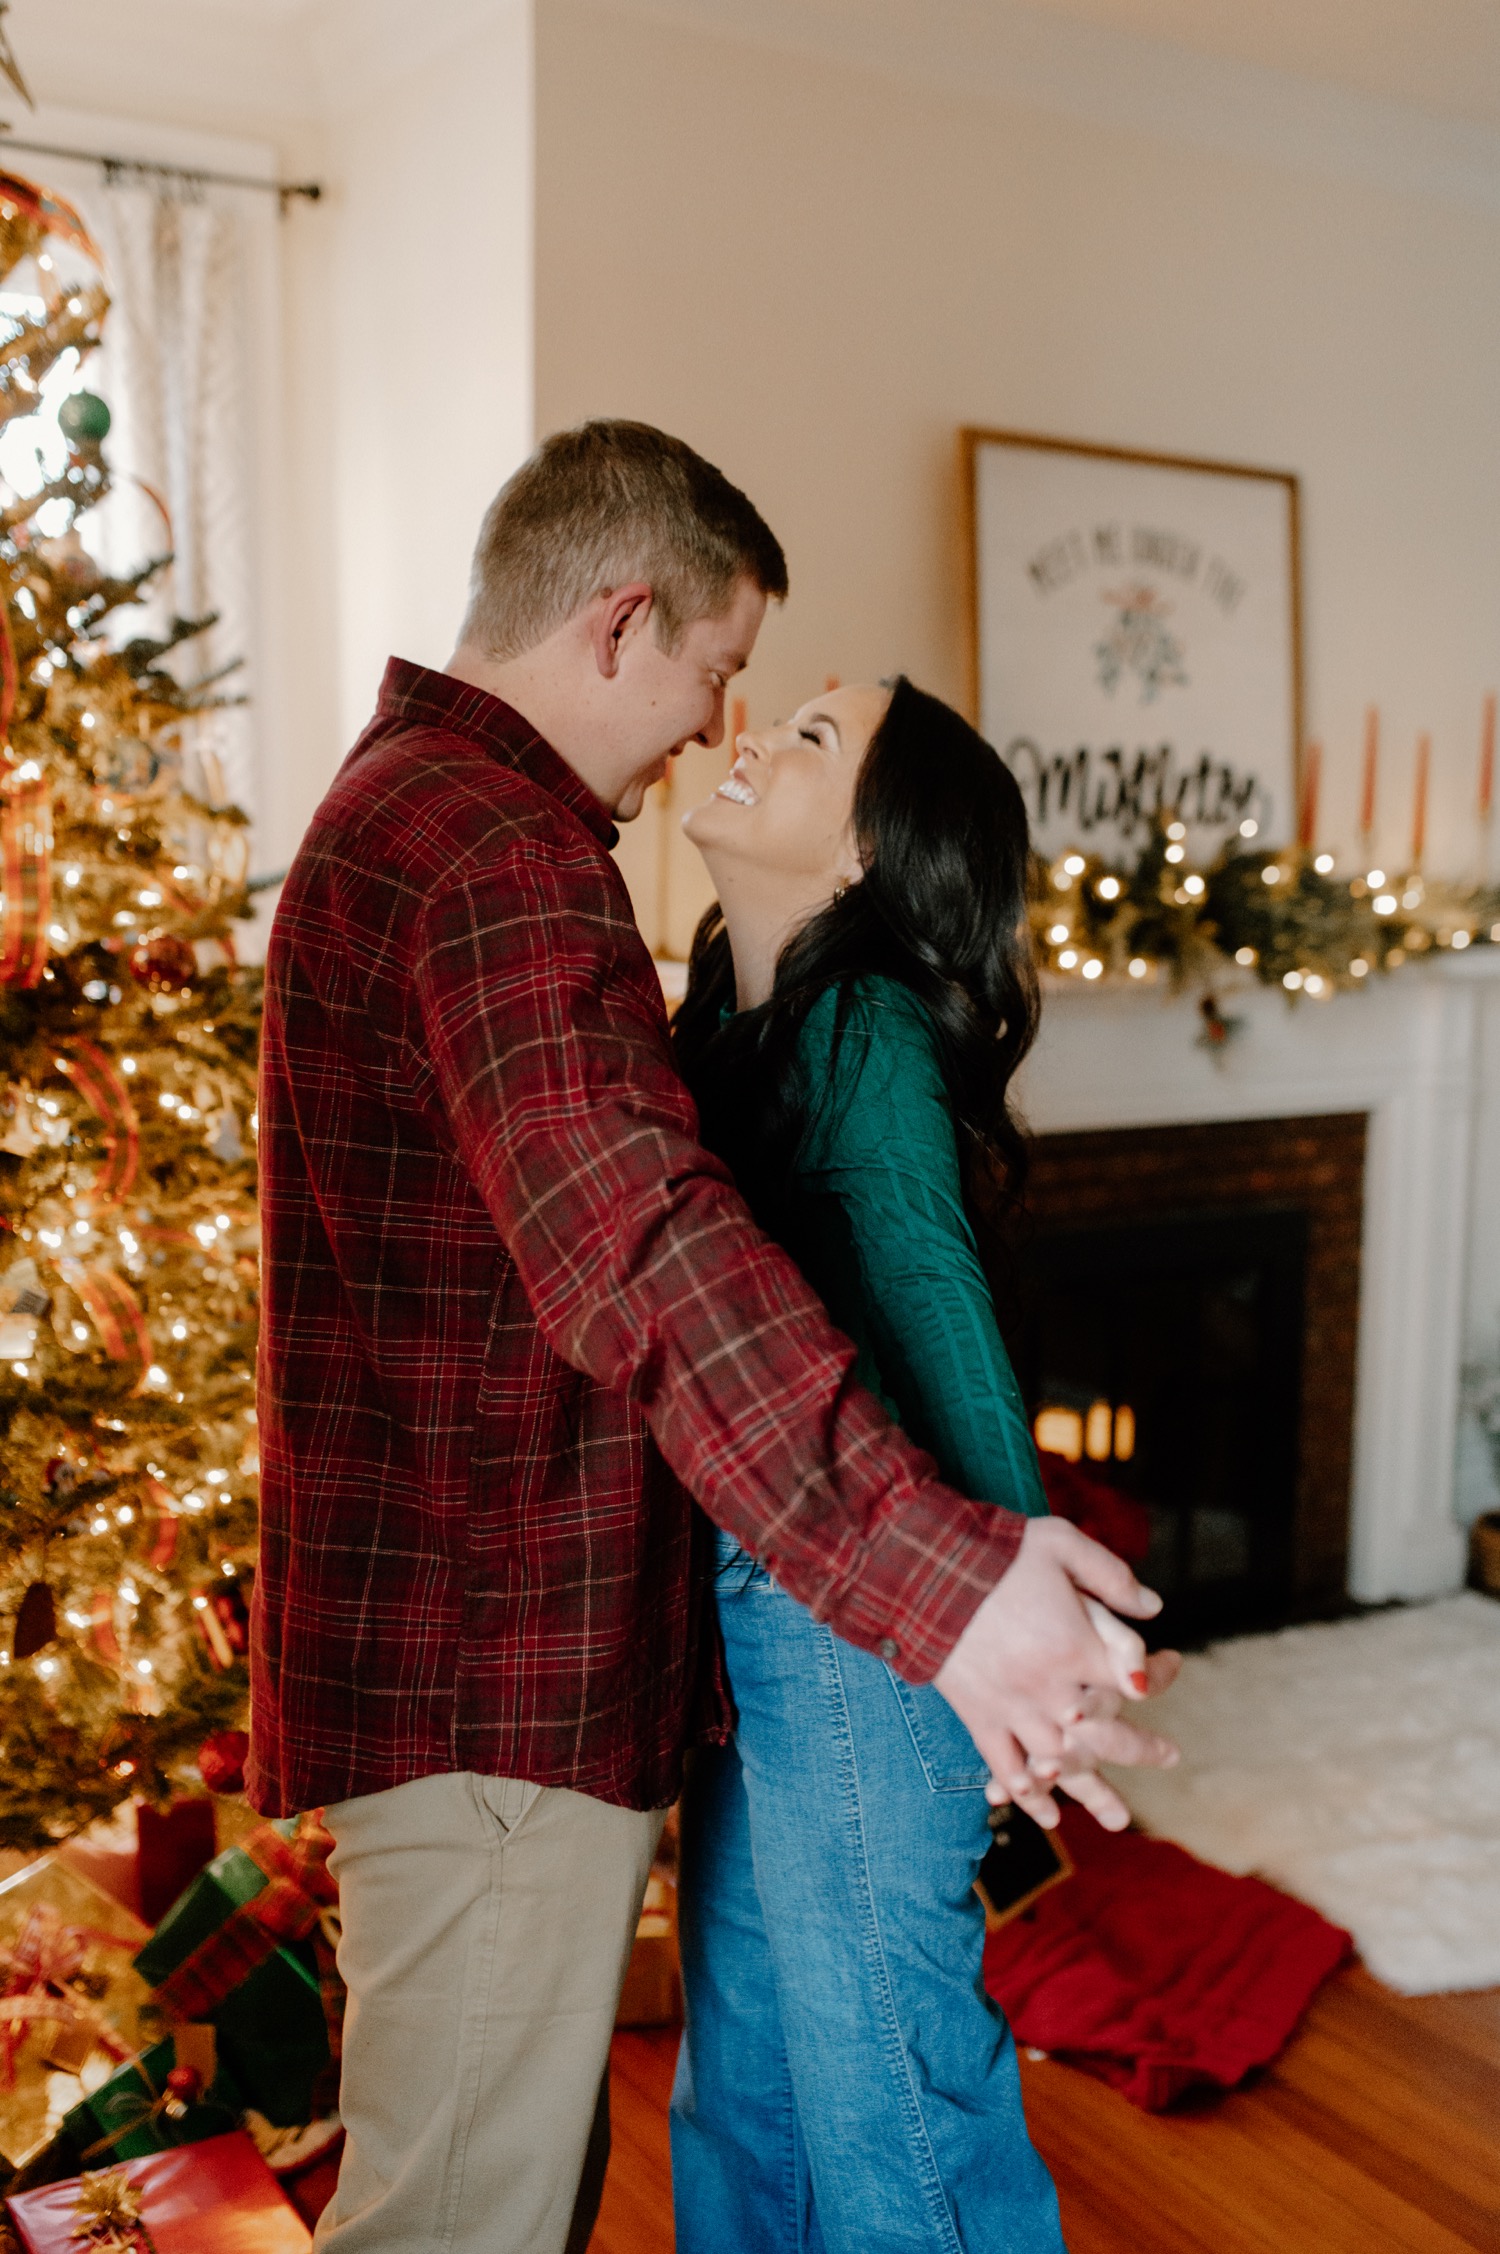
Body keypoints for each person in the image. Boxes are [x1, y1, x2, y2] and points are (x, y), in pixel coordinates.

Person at [249, 423, 1175, 2254]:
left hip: (555, 1653)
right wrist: (961, 1583)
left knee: (785, 2100)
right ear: (618, 622)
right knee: (496, 2204)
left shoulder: (437, 821)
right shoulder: (502, 857)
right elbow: (642, 1243)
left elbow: (905, 1284)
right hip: (497, 1666)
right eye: (717, 668)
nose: (713, 726)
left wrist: (984, 1574)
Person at [668, 677, 1174, 2251]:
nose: (753, 731)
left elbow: (932, 1294)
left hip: (870, 1615)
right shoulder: (718, 1031)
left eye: (812, 739)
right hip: (770, 1597)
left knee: (892, 2095)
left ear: (875, 863)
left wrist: (1026, 1621)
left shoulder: (860, 1024)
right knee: (744, 2084)